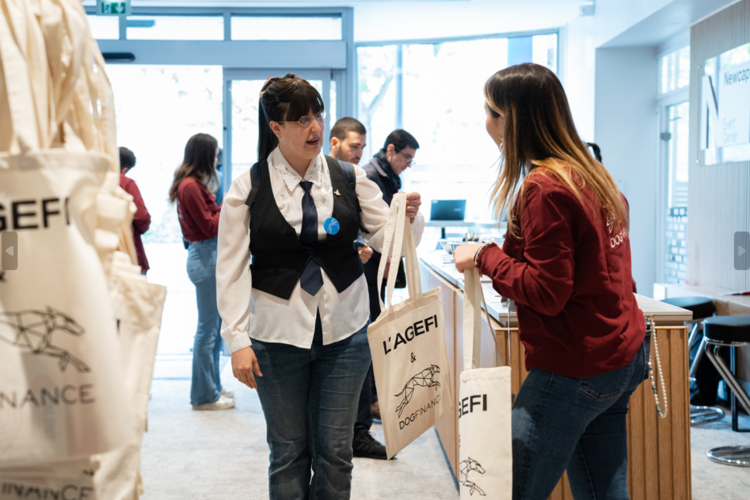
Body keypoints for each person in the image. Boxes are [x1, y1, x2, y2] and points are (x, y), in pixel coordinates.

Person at [216, 74, 424, 499]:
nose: (314, 128)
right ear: (276, 128)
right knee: (289, 452)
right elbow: (232, 269)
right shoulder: (248, 187)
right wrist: (237, 339)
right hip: (275, 336)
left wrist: (408, 216)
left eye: (317, 116)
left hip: (346, 332)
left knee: (336, 453)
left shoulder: (348, 176)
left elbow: (389, 241)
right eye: (300, 120)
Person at [453, 63, 648, 500]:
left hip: (575, 365)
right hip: (622, 352)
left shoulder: (545, 188)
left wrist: (485, 256)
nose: (485, 121)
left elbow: (546, 291)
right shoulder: (593, 175)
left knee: (507, 491)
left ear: (511, 118)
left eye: (489, 110)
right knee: (603, 491)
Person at [329, 117, 385, 460]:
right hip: (324, 294)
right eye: (354, 146)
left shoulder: (356, 179)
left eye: (363, 147)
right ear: (333, 142)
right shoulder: (315, 179)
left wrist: (359, 246)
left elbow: (367, 228)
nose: (359, 153)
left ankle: (358, 431)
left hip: (355, 285)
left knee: (359, 357)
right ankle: (352, 431)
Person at [169, 133, 234, 411]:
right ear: (205, 155)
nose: (218, 159)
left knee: (213, 329)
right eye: (215, 155)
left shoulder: (190, 185)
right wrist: (228, 204)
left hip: (206, 255)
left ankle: (213, 388)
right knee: (207, 330)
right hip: (205, 256)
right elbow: (209, 226)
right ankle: (203, 395)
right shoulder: (191, 187)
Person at [118, 147, 151, 274]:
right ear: (124, 169)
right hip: (129, 253)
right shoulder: (126, 182)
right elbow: (142, 217)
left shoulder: (94, 179)